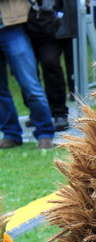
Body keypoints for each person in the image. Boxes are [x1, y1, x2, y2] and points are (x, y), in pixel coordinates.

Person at [0, 0, 55, 149]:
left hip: (13, 26)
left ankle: (45, 134)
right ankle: (10, 134)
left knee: (30, 85)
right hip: (10, 27)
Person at [27, 0, 77, 131]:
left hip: (51, 23)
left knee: (50, 63)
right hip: (23, 23)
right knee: (28, 69)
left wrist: (59, 17)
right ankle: (36, 111)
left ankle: (59, 112)